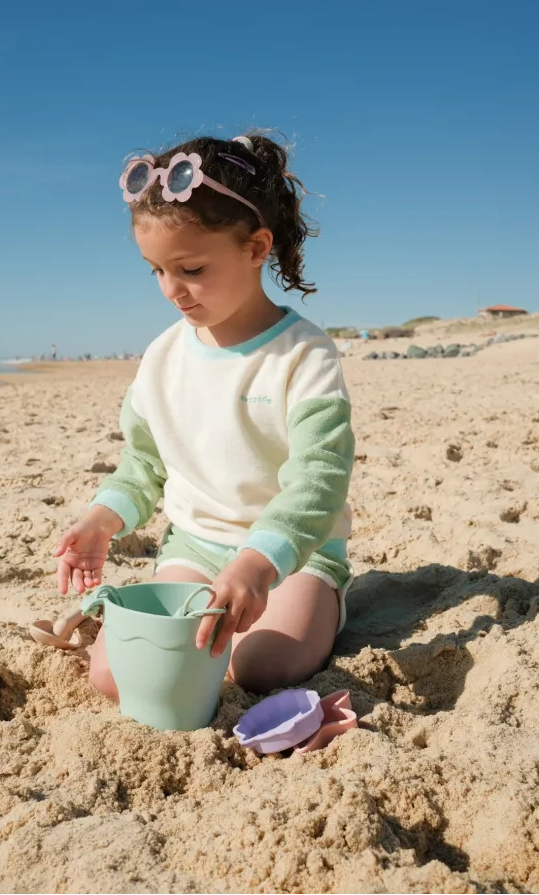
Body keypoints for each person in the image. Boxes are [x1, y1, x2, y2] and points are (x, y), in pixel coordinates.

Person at [55, 133, 355, 697]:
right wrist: (101, 520)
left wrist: (258, 564)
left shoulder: (303, 355)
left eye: (191, 268)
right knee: (113, 677)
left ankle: (327, 600)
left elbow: (320, 481)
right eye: (156, 271)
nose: (172, 290)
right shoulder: (163, 357)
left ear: (255, 248)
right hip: (193, 549)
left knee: (262, 667)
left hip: (289, 555)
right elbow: (143, 463)